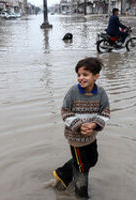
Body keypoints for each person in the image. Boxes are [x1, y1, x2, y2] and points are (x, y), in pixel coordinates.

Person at [51, 57, 110, 199]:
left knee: (93, 160)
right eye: (78, 75)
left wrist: (94, 125)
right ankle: (81, 194)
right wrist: (79, 125)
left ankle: (63, 172)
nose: (81, 78)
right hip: (75, 138)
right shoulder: (73, 92)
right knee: (82, 168)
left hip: (91, 136)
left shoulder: (101, 93)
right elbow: (65, 111)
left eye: (85, 74)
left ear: (96, 76)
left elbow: (105, 112)